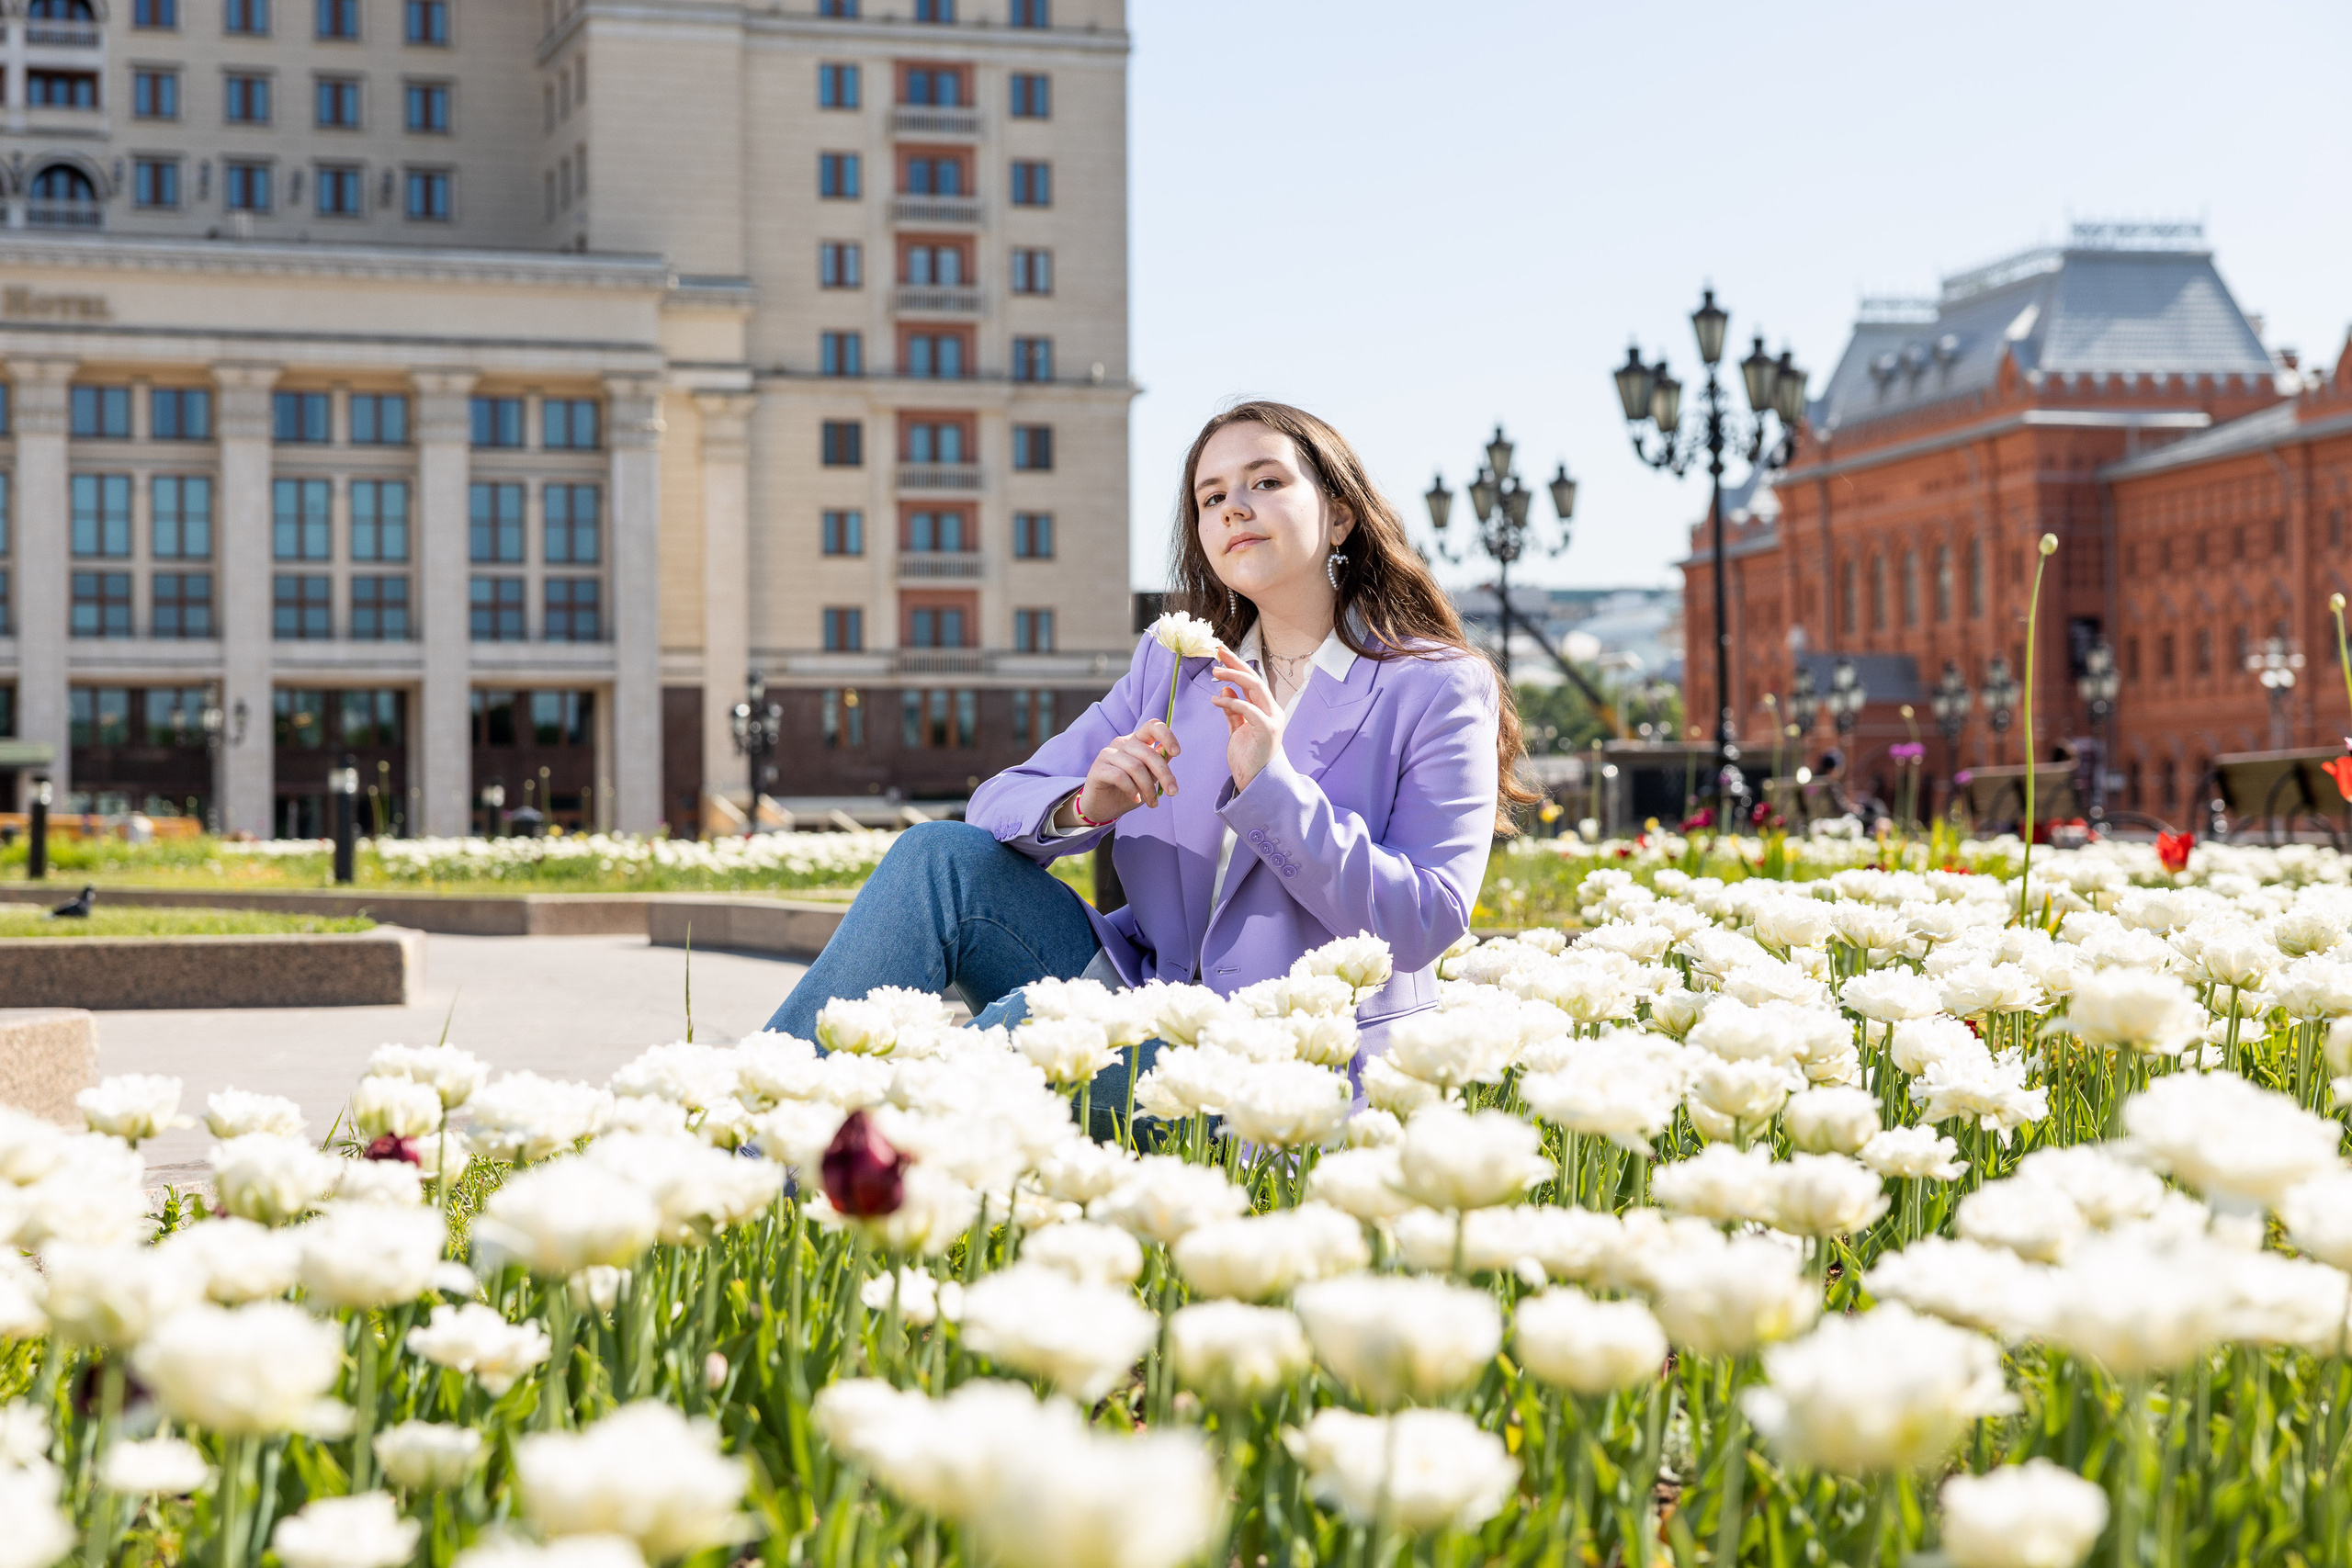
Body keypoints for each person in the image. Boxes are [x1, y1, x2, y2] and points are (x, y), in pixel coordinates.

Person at [763, 400, 1538, 1116]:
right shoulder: (1176, 668)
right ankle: (768, 1112)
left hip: (1291, 1059)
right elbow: (997, 803)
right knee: (939, 858)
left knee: (1030, 1025)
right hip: (1147, 1000)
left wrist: (1273, 790)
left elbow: (1426, 919)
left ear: (1339, 516)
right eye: (1211, 495)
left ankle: (845, 1157)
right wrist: (1085, 803)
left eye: (1266, 481)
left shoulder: (1433, 686)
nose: (1234, 504)